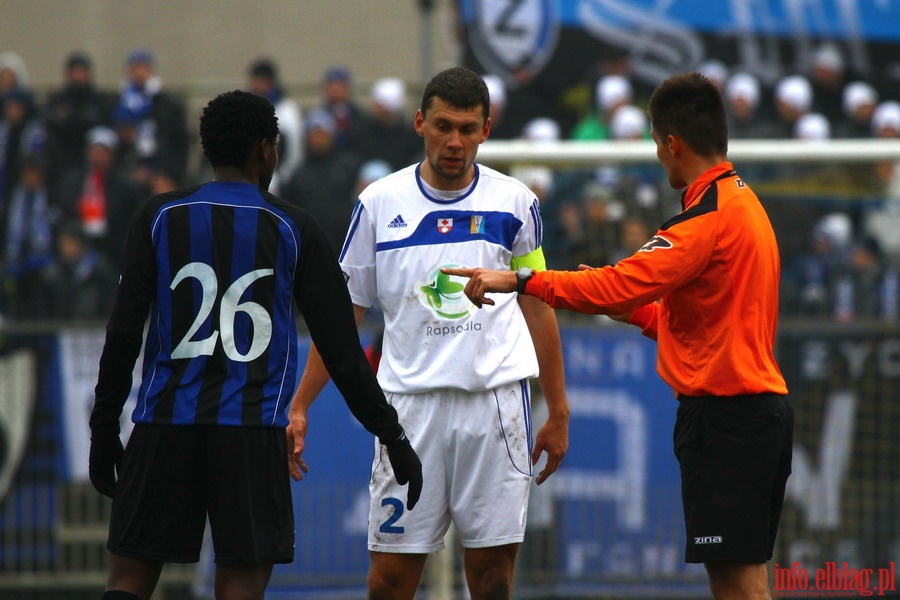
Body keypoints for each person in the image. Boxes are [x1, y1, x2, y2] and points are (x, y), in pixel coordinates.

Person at [445, 72, 792, 600]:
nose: (658, 156)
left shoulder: (705, 220)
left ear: (672, 144)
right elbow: (704, 328)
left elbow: (616, 283)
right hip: (753, 413)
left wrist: (521, 280)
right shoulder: (745, 206)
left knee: (736, 584)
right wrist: (639, 315)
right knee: (746, 579)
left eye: (657, 145)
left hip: (727, 420)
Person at [87, 90, 422, 600]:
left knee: (129, 580)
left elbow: (123, 333)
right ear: (266, 149)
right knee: (241, 582)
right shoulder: (294, 228)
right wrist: (393, 436)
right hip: (250, 432)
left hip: (163, 426)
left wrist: (104, 427)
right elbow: (342, 351)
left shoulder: (159, 217)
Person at [287, 67, 569, 600]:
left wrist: (558, 409)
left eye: (468, 128)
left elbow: (539, 305)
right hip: (407, 413)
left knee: (491, 580)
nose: (454, 141)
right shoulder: (378, 203)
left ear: (487, 129)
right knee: (390, 582)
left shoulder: (516, 203)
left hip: (495, 408)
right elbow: (344, 318)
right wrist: (301, 405)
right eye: (443, 126)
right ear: (420, 123)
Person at [246, 57, 304, 194]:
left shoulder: (287, 111)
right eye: (255, 80)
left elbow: (294, 151)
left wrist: (283, 177)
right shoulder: (243, 108)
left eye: (262, 81)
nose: (258, 85)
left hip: (279, 179)